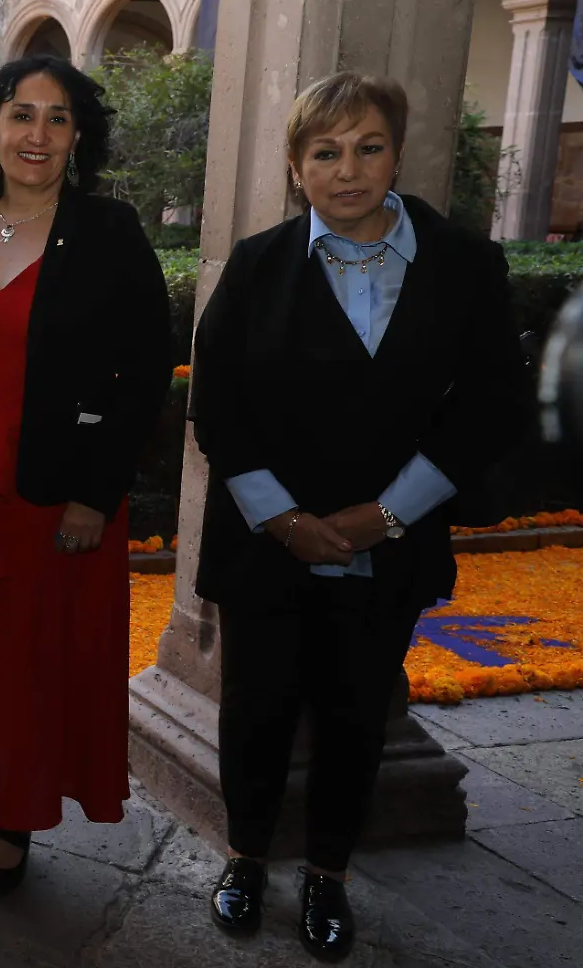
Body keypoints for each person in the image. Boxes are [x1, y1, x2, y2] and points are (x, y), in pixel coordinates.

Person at [193, 73, 529, 961]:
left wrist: (388, 514)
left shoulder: (463, 265)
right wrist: (284, 520)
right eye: (326, 152)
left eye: (368, 147)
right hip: (269, 546)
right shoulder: (258, 264)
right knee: (256, 710)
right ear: (296, 167)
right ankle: (244, 858)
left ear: (397, 153)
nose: (349, 170)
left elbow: (493, 405)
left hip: (395, 542)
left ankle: (329, 873)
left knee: (356, 713)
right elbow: (218, 409)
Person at [0, 55, 172, 895]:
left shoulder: (110, 233)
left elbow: (145, 370)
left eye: (55, 118)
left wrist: (96, 491)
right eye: (19, 114)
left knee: (35, 659)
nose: (35, 134)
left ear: (78, 136)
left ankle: (15, 808)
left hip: (57, 490)